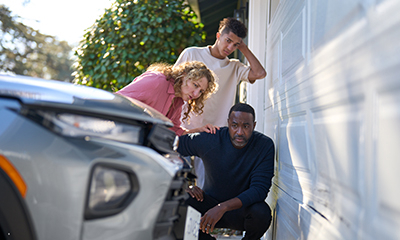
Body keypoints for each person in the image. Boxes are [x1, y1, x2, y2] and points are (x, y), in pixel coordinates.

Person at [175, 17, 267, 188]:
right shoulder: (191, 54)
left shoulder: (234, 67)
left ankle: (202, 216)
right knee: (177, 182)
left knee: (206, 187)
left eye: (236, 45)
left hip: (213, 132)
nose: (230, 48)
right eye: (228, 41)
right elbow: (173, 84)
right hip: (184, 127)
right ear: (218, 35)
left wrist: (244, 47)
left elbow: (260, 73)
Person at [177, 103, 275, 240]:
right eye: (234, 125)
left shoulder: (264, 145)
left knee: (262, 213)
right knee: (179, 202)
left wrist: (222, 207)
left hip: (242, 210)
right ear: (228, 123)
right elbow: (172, 146)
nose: (240, 132)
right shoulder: (211, 139)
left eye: (246, 126)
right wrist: (184, 185)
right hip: (208, 207)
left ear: (254, 125)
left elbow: (259, 189)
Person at [116, 61, 218, 136]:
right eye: (195, 85)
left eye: (201, 91)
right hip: (119, 135)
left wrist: (199, 130)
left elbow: (173, 130)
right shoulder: (157, 80)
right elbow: (118, 99)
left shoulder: (178, 99)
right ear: (183, 76)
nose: (196, 94)